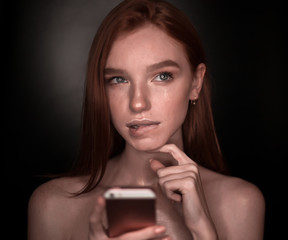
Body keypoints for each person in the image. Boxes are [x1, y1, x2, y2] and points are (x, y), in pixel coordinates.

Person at [28, 0, 265, 239]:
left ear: (196, 83)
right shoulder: (53, 205)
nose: (138, 103)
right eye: (119, 80)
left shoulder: (239, 203)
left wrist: (203, 231)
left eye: (162, 76)